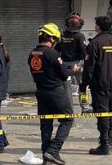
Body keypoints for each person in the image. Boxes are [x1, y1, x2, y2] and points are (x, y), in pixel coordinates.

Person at [30, 23, 81, 165]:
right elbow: (64, 74)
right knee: (68, 119)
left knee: (46, 124)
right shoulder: (52, 53)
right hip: (55, 92)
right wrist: (74, 69)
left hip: (41, 91)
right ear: (52, 38)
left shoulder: (33, 53)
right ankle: (53, 150)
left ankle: (47, 155)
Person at [81, 15, 112, 155]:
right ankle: (111, 141)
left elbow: (89, 67)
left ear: (98, 27)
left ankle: (104, 143)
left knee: (102, 112)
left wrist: (84, 84)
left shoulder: (94, 43)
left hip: (99, 84)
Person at [57, 12, 88, 110]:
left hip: (65, 64)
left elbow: (57, 49)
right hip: (78, 64)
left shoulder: (62, 35)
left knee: (66, 90)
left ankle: (68, 109)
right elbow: (84, 52)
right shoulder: (80, 36)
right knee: (83, 88)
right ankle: (85, 107)